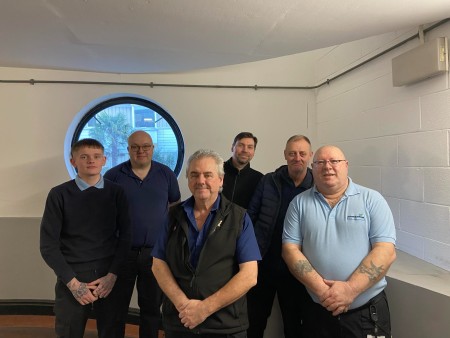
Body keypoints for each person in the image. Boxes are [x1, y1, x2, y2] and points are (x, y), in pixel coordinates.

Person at [282, 145, 397, 338]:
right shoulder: (299, 203)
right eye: (320, 162)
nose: (327, 167)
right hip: (317, 311)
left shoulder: (372, 200)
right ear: (313, 167)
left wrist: (350, 289)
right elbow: (289, 250)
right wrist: (323, 292)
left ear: (346, 165)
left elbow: (386, 251)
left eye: (334, 161)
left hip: (367, 315)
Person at [151, 149, 261, 338]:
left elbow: (249, 275)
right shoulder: (172, 215)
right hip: (180, 321)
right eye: (194, 174)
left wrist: (204, 309)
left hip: (224, 325)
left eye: (208, 175)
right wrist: (183, 305)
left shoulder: (239, 218)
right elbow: (158, 264)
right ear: (188, 179)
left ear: (220, 180)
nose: (201, 180)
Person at [40, 138, 132, 338]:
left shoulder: (116, 193)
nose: (91, 161)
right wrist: (73, 284)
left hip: (109, 278)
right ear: (73, 161)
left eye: (96, 156)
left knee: (112, 331)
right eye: (84, 157)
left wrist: (113, 275)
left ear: (104, 160)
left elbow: (126, 237)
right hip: (73, 277)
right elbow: (48, 246)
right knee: (69, 332)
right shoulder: (59, 195)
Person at [104, 130, 181, 338]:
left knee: (152, 309)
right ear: (128, 149)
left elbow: (175, 206)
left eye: (146, 146)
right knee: (116, 308)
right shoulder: (113, 176)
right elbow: (104, 213)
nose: (141, 151)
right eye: (135, 147)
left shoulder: (166, 174)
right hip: (122, 254)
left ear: (152, 149)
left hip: (155, 255)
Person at [246, 135, 314, 338]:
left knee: (294, 324)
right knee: (254, 321)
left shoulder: (317, 186)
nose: (297, 158)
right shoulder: (268, 181)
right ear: (285, 155)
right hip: (263, 263)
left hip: (297, 269)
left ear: (310, 156)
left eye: (302, 153)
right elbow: (250, 216)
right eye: (292, 153)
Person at [222, 132, 263, 208]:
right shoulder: (216, 170)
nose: (245, 150)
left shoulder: (260, 179)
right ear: (232, 147)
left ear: (254, 152)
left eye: (250, 147)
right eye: (241, 145)